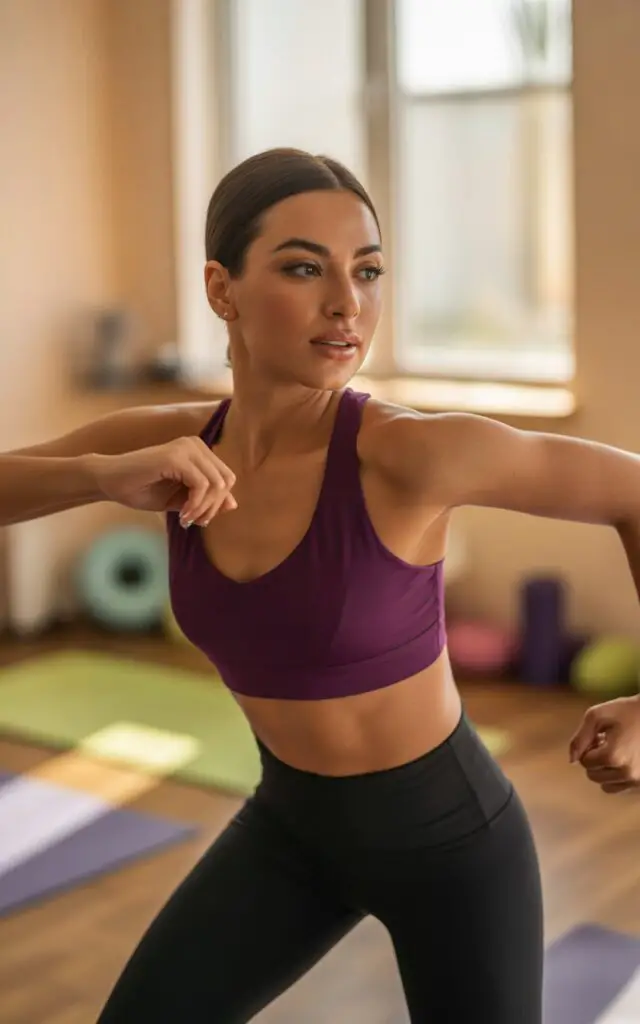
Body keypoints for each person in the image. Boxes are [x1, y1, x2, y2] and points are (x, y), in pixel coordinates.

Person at [2, 147, 640, 1023]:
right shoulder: (167, 440)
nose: (349, 305)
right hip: (291, 831)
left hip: (452, 847)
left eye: (369, 272)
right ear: (221, 289)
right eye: (305, 268)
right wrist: (102, 475)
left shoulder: (411, 451)